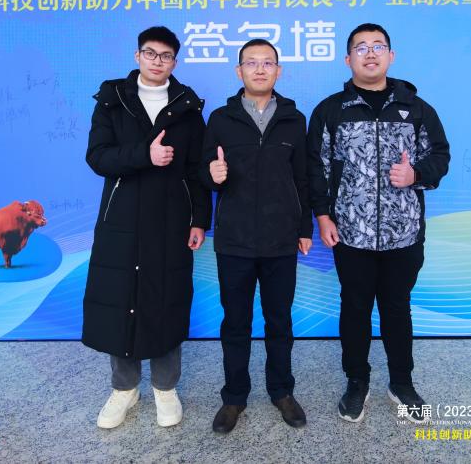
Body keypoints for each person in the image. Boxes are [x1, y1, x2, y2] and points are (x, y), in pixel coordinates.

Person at [306, 23, 450, 424]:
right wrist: (322, 215)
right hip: (350, 233)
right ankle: (357, 381)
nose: (370, 53)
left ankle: (401, 382)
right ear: (347, 59)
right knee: (354, 308)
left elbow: (440, 156)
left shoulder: (416, 108)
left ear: (391, 55)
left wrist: (416, 174)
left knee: (397, 308)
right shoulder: (331, 110)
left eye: (378, 46)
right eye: (361, 47)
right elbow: (315, 167)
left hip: (404, 234)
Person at [82, 26, 211, 429]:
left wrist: (199, 220)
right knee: (121, 298)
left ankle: (165, 388)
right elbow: (97, 157)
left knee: (166, 298)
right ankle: (124, 389)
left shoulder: (188, 107)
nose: (158, 61)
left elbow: (197, 171)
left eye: (166, 55)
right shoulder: (112, 100)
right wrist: (144, 154)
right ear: (137, 56)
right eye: (150, 53)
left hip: (171, 220)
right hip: (120, 219)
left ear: (175, 61)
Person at [200, 38, 312, 433]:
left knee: (279, 322)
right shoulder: (220, 119)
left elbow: (303, 178)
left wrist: (304, 228)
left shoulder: (295, 119)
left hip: (281, 239)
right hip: (235, 240)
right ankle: (234, 397)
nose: (260, 69)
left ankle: (282, 391)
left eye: (268, 63)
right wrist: (211, 175)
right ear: (239, 71)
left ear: (278, 71)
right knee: (236, 323)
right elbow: (202, 173)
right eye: (251, 62)